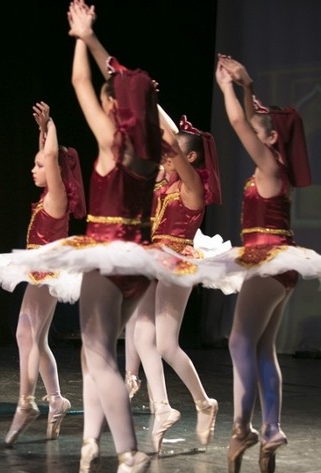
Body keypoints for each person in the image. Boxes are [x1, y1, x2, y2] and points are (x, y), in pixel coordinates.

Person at [64, 2, 161, 471]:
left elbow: (81, 83)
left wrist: (79, 37)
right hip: (141, 261)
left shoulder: (110, 141)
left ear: (112, 107)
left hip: (106, 256)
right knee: (101, 351)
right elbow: (120, 80)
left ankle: (128, 451)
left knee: (98, 352)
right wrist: (93, 38)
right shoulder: (150, 152)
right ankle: (96, 443)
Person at [216, 54, 321, 473]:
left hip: (269, 260)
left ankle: (243, 427)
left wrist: (228, 87)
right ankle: (272, 427)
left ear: (273, 138)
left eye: (260, 121)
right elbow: (251, 116)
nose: (250, 119)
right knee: (261, 349)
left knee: (238, 341)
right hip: (281, 265)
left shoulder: (268, 163)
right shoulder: (274, 167)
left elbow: (241, 123)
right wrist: (244, 87)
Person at [128, 113, 222, 453]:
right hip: (154, 257)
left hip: (177, 260)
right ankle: (163, 407)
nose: (165, 157)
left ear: (190, 158)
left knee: (166, 343)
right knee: (140, 333)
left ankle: (204, 402)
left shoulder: (193, 187)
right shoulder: (164, 187)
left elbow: (169, 139)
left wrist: (152, 105)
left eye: (174, 155)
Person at [2, 101, 86, 446]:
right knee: (35, 339)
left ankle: (27, 401)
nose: (33, 168)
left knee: (26, 333)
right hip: (43, 270)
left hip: (47, 271)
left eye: (39, 164)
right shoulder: (48, 196)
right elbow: (49, 156)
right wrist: (42, 132)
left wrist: (51, 126)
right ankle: (56, 399)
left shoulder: (57, 196)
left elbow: (52, 158)